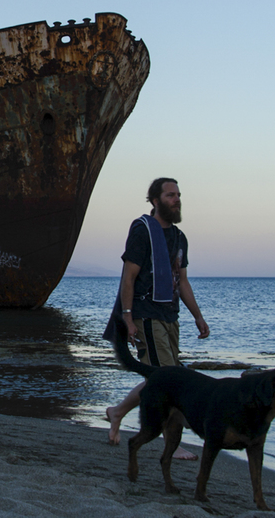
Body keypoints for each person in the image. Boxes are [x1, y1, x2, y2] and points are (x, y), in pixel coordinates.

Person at [103, 177, 209, 456]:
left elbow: (182, 281)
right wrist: (128, 317)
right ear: (155, 200)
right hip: (146, 314)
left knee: (159, 378)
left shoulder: (180, 238)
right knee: (169, 380)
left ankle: (117, 412)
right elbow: (129, 277)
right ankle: (171, 444)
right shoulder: (143, 230)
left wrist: (198, 316)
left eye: (178, 195)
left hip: (170, 316)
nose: (177, 200)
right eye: (170, 195)